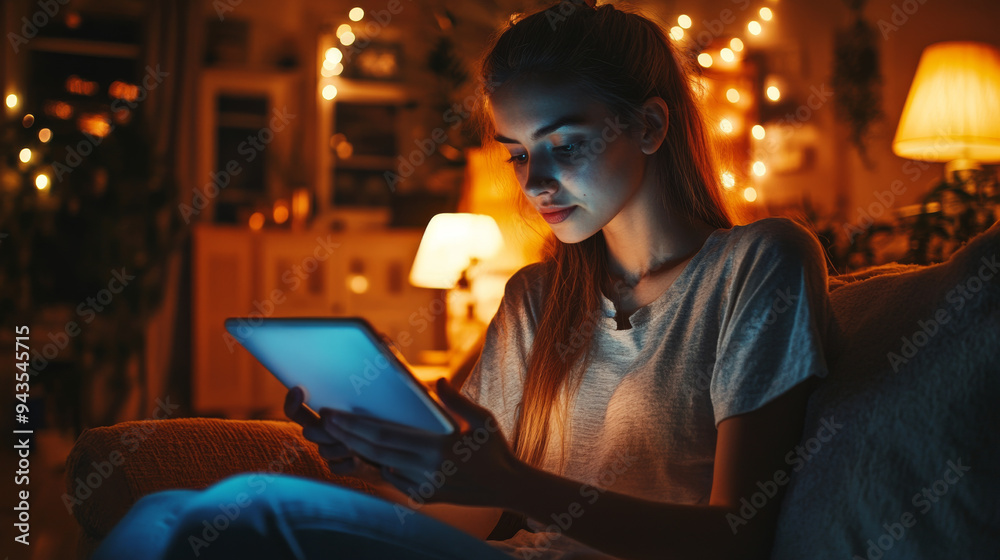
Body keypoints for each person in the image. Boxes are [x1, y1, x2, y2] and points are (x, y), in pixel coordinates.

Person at [92, 1, 831, 558]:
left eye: (564, 143)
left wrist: (512, 482)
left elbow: (740, 535)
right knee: (160, 512)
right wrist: (388, 464)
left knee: (251, 505)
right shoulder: (536, 301)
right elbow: (467, 515)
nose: (535, 181)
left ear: (649, 126)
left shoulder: (759, 265)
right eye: (516, 153)